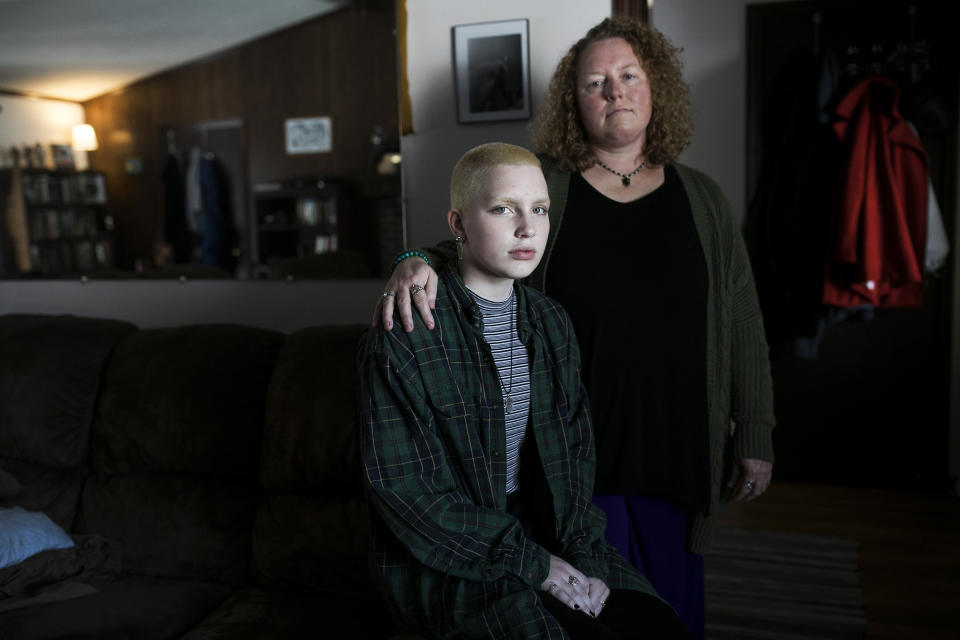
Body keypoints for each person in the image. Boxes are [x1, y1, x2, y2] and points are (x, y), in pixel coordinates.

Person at [374, 17, 776, 640]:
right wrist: (413, 260)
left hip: (678, 440)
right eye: (595, 82)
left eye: (628, 76)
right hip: (579, 454)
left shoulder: (703, 199)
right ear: (575, 102)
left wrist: (754, 429)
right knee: (589, 605)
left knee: (663, 613)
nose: (614, 91)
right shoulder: (548, 189)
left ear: (655, 88)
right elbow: (481, 241)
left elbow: (742, 318)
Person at [359, 142, 692, 639]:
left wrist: (581, 559)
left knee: (658, 626)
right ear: (458, 223)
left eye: (539, 209)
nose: (527, 228)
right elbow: (413, 498)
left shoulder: (551, 322)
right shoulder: (409, 331)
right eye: (502, 209)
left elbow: (575, 458)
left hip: (547, 528)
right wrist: (538, 567)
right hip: (451, 556)